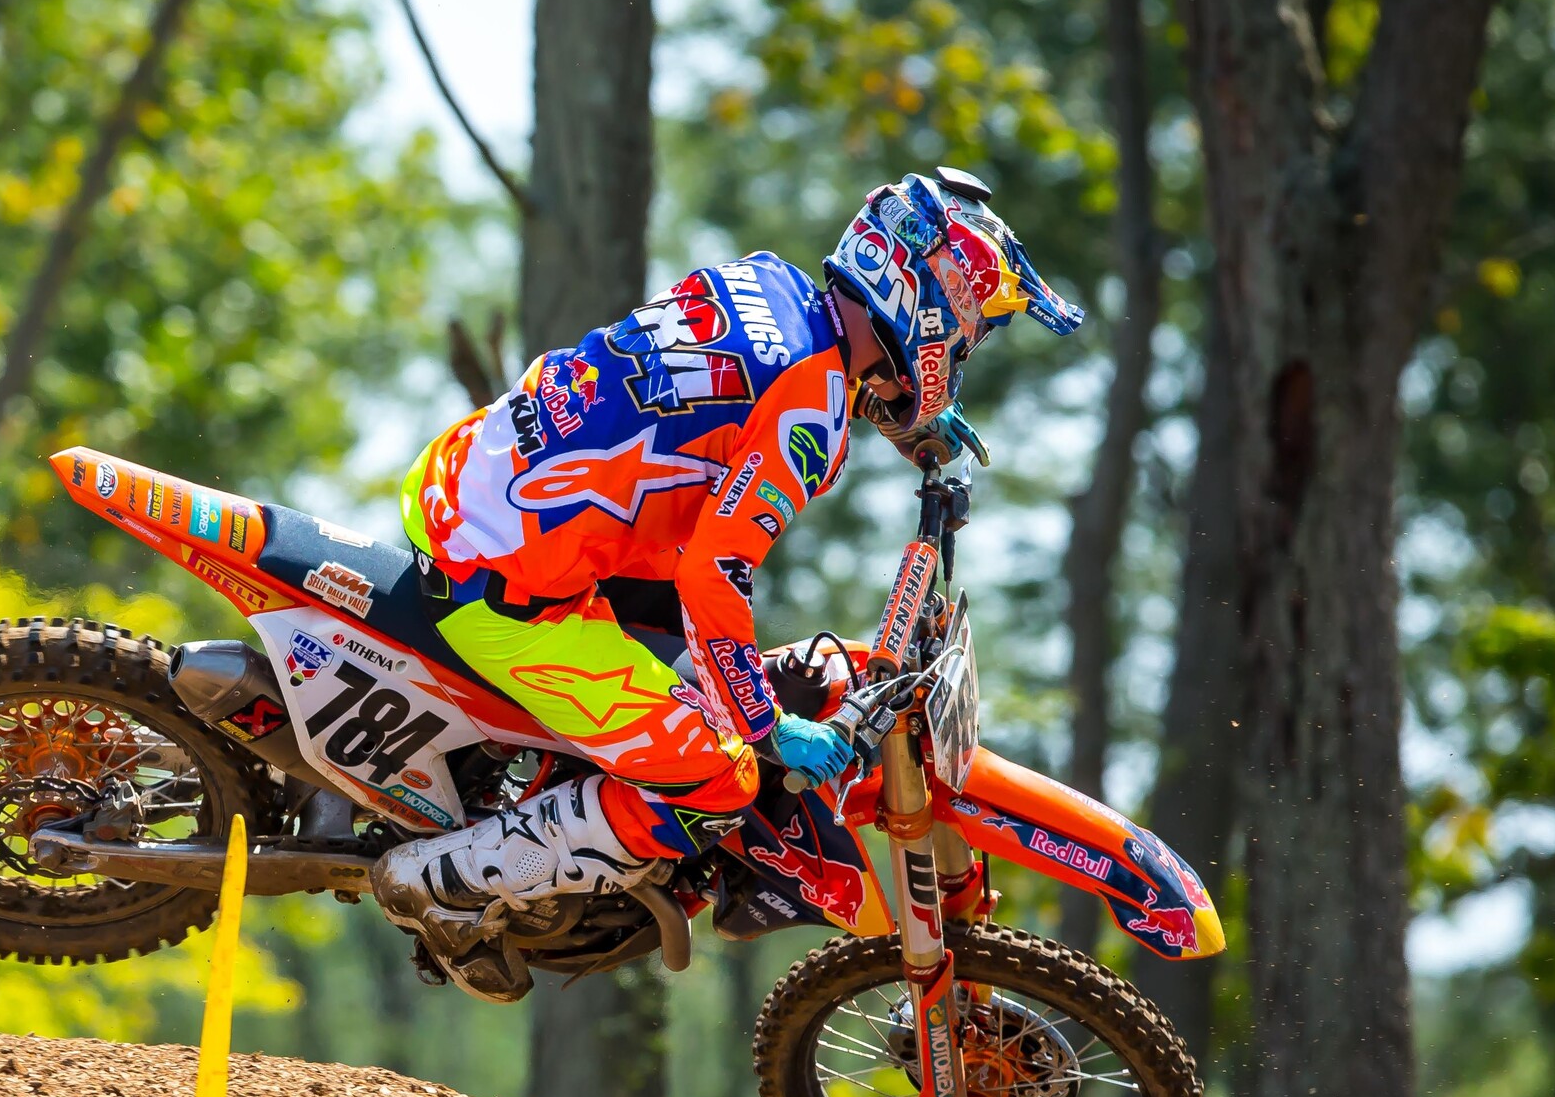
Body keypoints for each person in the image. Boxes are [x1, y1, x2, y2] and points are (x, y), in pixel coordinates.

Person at [372, 168, 1083, 961]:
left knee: (704, 650)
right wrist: (767, 726)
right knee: (722, 777)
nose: (966, 345)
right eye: (969, 326)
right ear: (924, 302)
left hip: (467, 480)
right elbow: (715, 575)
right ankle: (444, 881)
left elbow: (721, 392)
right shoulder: (809, 412)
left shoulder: (764, 280)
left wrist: (891, 409)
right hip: (509, 593)